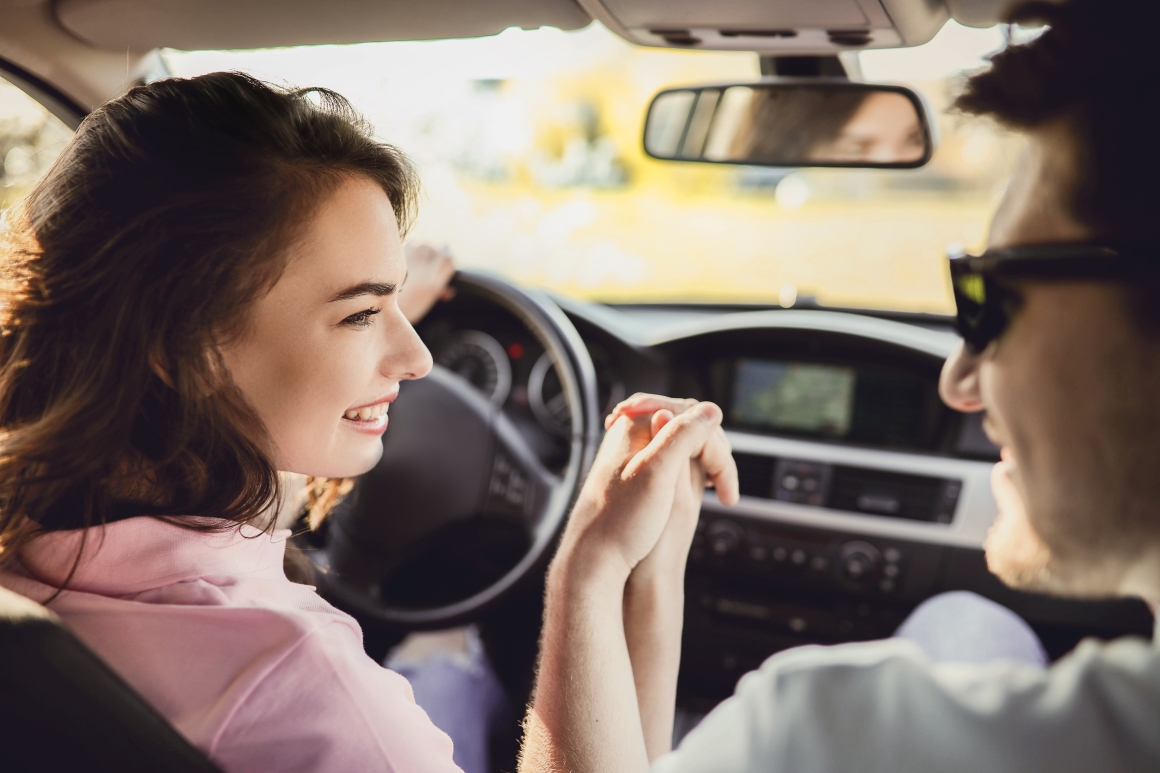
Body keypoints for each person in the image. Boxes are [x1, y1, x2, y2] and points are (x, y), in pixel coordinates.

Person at [0, 71, 735, 771]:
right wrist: (597, 567)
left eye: (396, 303)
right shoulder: (299, 683)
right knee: (446, 667)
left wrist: (354, 320)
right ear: (184, 343)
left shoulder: (29, 552)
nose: (417, 360)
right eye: (359, 312)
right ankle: (444, 651)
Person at [521, 1, 1160, 771]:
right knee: (965, 618)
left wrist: (587, 566)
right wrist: (652, 573)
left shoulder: (818, 731)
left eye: (987, 297)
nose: (958, 380)